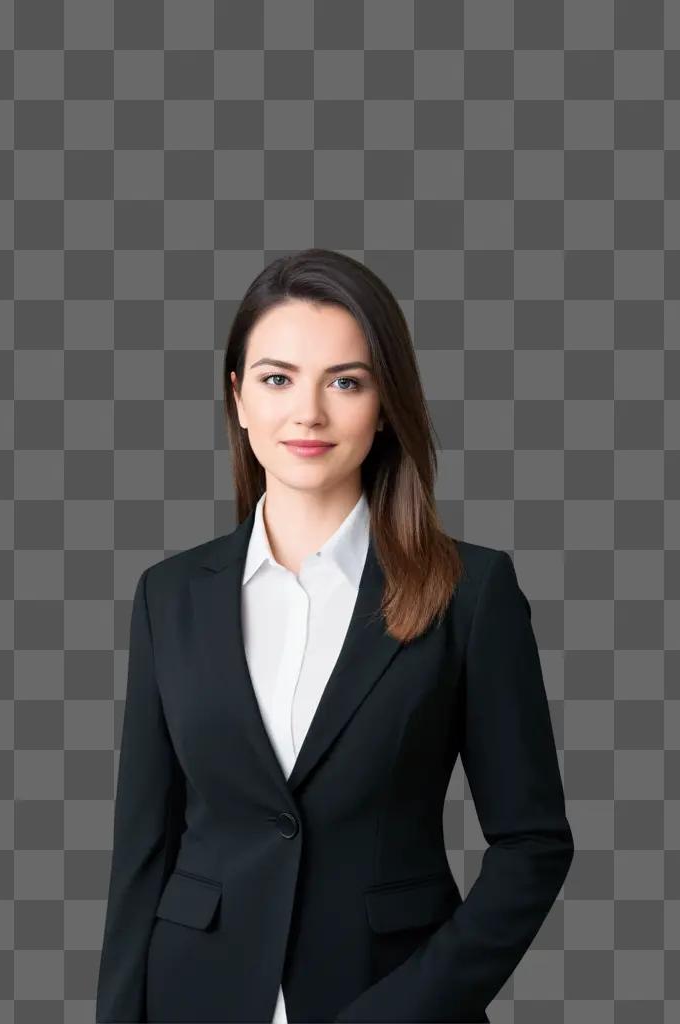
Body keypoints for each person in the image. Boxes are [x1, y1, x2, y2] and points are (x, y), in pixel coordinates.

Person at [96, 248, 574, 1022]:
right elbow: (142, 849)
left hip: (390, 996)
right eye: (277, 379)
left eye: (345, 381)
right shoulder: (170, 596)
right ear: (239, 399)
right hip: (195, 995)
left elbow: (532, 846)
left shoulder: (470, 593)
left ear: (384, 403)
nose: (308, 413)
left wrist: (407, 1011)